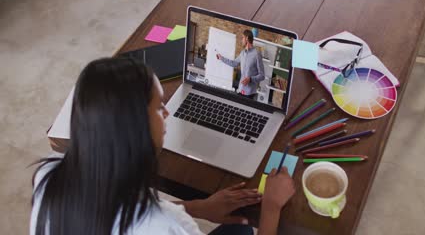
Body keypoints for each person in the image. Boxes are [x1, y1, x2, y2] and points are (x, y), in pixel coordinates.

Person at [30, 57, 295, 235]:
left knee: (237, 228)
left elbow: (119, 212)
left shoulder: (49, 176)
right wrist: (271, 207)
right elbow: (155, 220)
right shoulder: (167, 226)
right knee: (245, 227)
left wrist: (199, 207)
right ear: (136, 128)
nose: (167, 113)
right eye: (159, 107)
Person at [216, 30, 265, 100]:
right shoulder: (242, 53)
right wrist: (221, 58)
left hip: (249, 94)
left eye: (242, 38)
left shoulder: (257, 54)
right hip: (240, 90)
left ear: (247, 38)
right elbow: (234, 63)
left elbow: (262, 76)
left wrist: (250, 79)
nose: (241, 40)